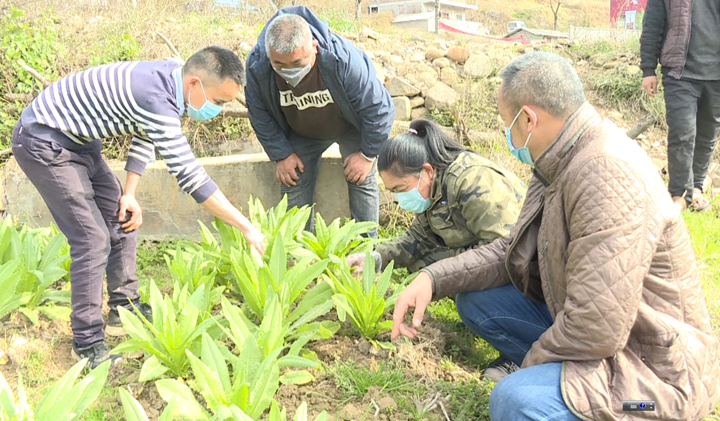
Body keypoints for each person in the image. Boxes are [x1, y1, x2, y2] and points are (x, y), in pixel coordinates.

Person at [391, 52, 719, 421]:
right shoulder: (561, 159)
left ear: (528, 118)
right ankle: (554, 382)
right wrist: (432, 278)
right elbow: (509, 251)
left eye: (506, 122)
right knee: (477, 299)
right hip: (611, 337)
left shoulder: (605, 174)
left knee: (515, 400)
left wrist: (531, 368)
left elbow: (596, 327)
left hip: (656, 381)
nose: (506, 133)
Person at [11, 46, 265, 369]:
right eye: (218, 102)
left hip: (80, 141)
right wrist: (246, 226)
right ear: (195, 84)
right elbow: (191, 177)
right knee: (91, 238)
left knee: (122, 216)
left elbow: (145, 133)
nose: (217, 109)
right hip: (43, 140)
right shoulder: (157, 99)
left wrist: (129, 192)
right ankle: (86, 343)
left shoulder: (173, 77)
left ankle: (123, 308)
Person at [245, 6, 395, 238]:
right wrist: (281, 154)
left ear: (313, 46)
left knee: (361, 178)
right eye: (280, 65)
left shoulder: (343, 59)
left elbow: (379, 108)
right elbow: (259, 113)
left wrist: (367, 156)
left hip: (350, 126)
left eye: (297, 63)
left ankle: (365, 255)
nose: (289, 71)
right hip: (302, 131)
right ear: (269, 55)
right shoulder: (258, 65)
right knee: (292, 181)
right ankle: (300, 255)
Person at [346, 118, 526, 277]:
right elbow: (418, 237)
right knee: (420, 266)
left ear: (427, 170)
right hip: (487, 246)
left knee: (439, 276)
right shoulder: (433, 187)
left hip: (519, 258)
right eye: (393, 190)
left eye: (401, 188)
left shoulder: (473, 182)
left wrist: (440, 275)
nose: (399, 198)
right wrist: (377, 258)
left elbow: (502, 250)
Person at [640, 0, 720, 212]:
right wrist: (648, 69)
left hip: (716, 75)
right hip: (680, 73)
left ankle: (695, 188)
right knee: (682, 134)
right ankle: (680, 194)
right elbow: (652, 24)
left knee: (707, 134)